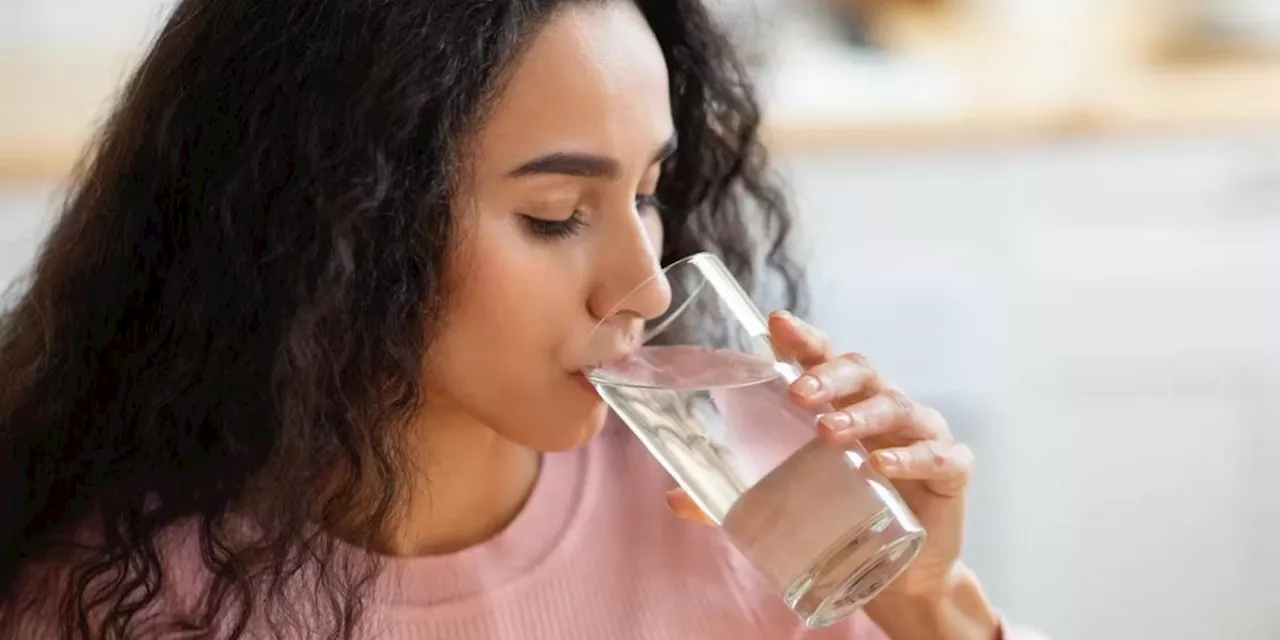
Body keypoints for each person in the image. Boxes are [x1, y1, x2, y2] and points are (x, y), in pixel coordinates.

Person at [0, 0, 1049, 638]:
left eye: (646, 191)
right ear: (337, 222)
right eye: (555, 216)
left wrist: (930, 605)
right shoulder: (117, 599)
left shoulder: (755, 508)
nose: (642, 287)